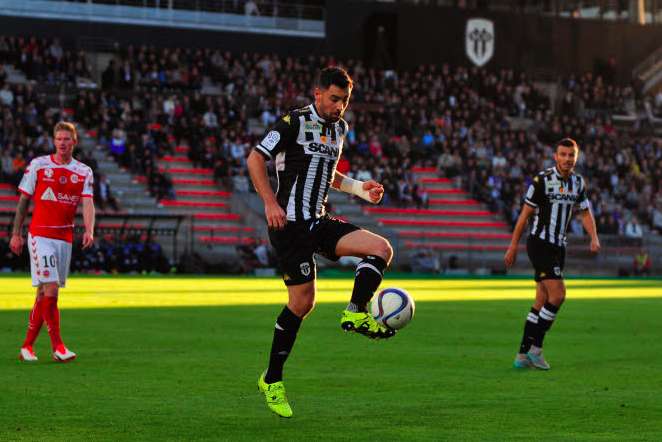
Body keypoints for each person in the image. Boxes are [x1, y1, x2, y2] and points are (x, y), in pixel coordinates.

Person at [247, 67, 394, 418]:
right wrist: (269, 202)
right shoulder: (292, 122)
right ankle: (272, 379)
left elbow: (329, 175)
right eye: (333, 99)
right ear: (317, 94)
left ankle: (356, 313)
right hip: (289, 226)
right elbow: (255, 158)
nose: (339, 106)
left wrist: (360, 188)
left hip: (319, 220)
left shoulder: (339, 128)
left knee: (381, 249)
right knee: (302, 304)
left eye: (344, 100)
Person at [504, 138, 600, 370]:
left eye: (571, 155)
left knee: (541, 300)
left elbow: (585, 212)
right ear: (555, 156)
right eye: (563, 154)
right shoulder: (542, 181)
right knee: (558, 294)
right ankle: (536, 348)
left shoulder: (578, 183)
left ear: (576, 158)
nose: (567, 159)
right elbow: (524, 216)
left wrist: (594, 236)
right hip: (539, 243)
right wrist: (513, 245)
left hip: (559, 246)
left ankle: (522, 355)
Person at [10, 121, 95, 363]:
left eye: (67, 139)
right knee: (52, 288)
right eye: (58, 139)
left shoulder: (84, 171)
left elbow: (88, 202)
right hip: (40, 235)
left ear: (74, 142)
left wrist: (89, 229)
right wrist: (16, 233)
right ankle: (58, 346)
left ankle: (27, 346)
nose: (62, 143)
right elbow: (23, 201)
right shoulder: (38, 165)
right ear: (53, 141)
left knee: (42, 293)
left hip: (64, 238)